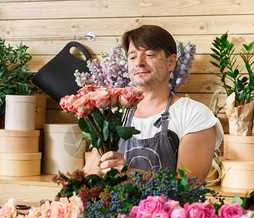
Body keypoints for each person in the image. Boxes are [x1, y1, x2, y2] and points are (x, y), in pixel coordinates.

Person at [85, 25, 223, 181]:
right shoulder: (114, 116)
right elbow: (88, 177)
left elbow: (188, 185)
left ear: (171, 62)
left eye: (149, 54)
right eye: (132, 57)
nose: (139, 62)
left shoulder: (193, 114)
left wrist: (129, 174)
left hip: (170, 206)